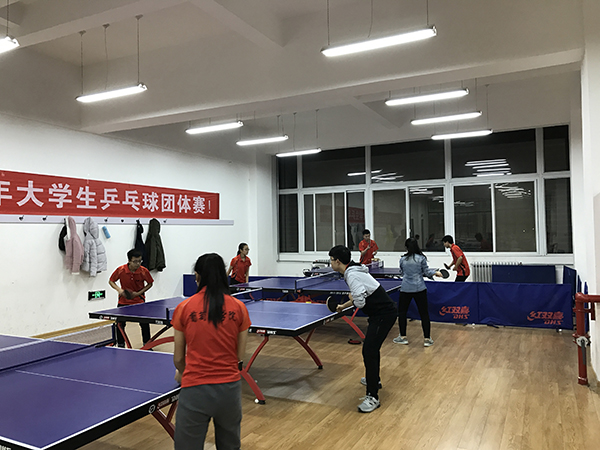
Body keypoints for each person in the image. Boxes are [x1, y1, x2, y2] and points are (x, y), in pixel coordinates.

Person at [172, 253, 251, 450]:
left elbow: (179, 358)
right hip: (229, 390)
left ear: (197, 276)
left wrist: (184, 371)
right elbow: (239, 356)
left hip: (194, 389)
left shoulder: (184, 307)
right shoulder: (239, 308)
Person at [329, 245, 397, 413]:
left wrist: (352, 298)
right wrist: (343, 305)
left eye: (331, 260)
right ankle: (374, 379)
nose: (330, 263)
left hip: (383, 315)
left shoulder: (351, 275)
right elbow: (362, 294)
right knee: (372, 350)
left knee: (369, 351)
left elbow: (360, 302)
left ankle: (373, 396)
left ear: (337, 261)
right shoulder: (354, 270)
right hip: (380, 314)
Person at [393, 238, 443, 347]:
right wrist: (435, 273)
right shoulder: (421, 258)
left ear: (406, 247)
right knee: (424, 314)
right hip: (419, 288)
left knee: (402, 313)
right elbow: (426, 272)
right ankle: (427, 339)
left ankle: (403, 337)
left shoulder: (402, 260)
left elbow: (402, 272)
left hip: (405, 288)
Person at [108, 249, 154, 347]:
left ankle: (147, 344)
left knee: (144, 324)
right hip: (123, 302)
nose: (138, 264)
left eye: (140, 261)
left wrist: (138, 294)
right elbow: (111, 281)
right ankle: (121, 344)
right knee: (120, 324)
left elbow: (150, 283)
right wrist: (120, 290)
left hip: (139, 301)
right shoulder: (121, 270)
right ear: (129, 261)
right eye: (135, 261)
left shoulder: (144, 271)